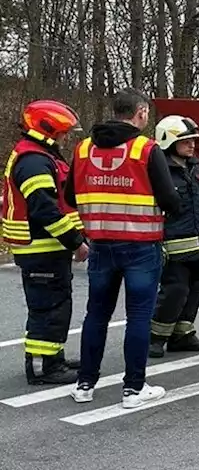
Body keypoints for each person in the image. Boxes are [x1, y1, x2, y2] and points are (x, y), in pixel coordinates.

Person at [70, 88, 181, 407]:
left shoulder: (83, 149)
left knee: (96, 315)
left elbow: (68, 196)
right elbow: (170, 201)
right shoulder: (145, 149)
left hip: (101, 244)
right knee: (138, 317)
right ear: (142, 112)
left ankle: (84, 384)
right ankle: (133, 388)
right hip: (141, 246)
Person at [2, 100, 89, 385]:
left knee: (55, 305)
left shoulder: (39, 155)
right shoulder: (34, 161)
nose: (65, 137)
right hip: (41, 247)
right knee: (47, 308)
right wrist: (76, 242)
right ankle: (44, 368)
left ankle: (53, 359)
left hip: (46, 248)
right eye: (62, 132)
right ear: (47, 129)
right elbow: (45, 210)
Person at [149, 116, 199, 359]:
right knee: (174, 290)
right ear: (168, 141)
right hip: (173, 245)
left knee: (194, 289)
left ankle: (182, 334)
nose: (192, 145)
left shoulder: (196, 168)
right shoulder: (160, 171)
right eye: (185, 141)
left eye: (193, 141)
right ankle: (155, 338)